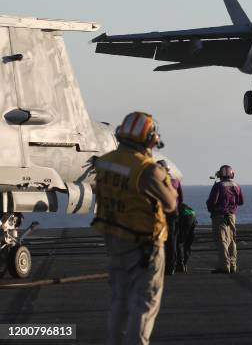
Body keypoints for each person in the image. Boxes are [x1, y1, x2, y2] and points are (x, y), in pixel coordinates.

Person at [92, 111, 178, 345]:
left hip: (114, 239)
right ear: (149, 139)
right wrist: (165, 179)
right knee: (144, 304)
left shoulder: (105, 162)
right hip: (144, 246)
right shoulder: (148, 169)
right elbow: (171, 204)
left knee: (119, 300)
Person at [206, 165, 244, 274]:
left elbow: (212, 201)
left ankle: (224, 265)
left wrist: (211, 209)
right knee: (232, 240)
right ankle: (233, 265)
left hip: (219, 215)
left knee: (221, 240)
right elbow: (241, 201)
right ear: (232, 174)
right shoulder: (236, 185)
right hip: (232, 215)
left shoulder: (219, 186)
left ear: (220, 174)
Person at [157, 160, 183, 275]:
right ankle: (171, 266)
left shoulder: (158, 182)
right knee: (173, 241)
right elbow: (180, 198)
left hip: (162, 214)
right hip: (174, 213)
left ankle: (161, 266)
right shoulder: (176, 182)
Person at [176, 202, 197, 273]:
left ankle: (180, 264)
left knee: (177, 242)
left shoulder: (176, 208)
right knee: (187, 245)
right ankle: (185, 264)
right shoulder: (189, 209)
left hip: (185, 218)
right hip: (192, 218)